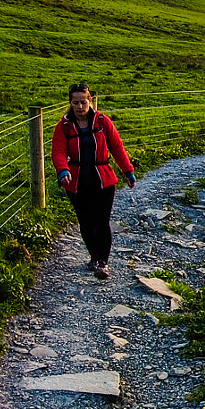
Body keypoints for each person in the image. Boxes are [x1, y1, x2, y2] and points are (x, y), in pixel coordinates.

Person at [51, 82, 135, 278]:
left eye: (83, 102)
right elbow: (58, 151)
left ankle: (103, 262)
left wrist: (128, 171)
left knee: (102, 221)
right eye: (75, 103)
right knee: (86, 222)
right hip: (77, 180)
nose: (79, 107)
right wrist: (63, 171)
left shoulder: (103, 122)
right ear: (70, 103)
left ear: (90, 101)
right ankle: (94, 257)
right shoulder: (63, 126)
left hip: (103, 179)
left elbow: (117, 147)